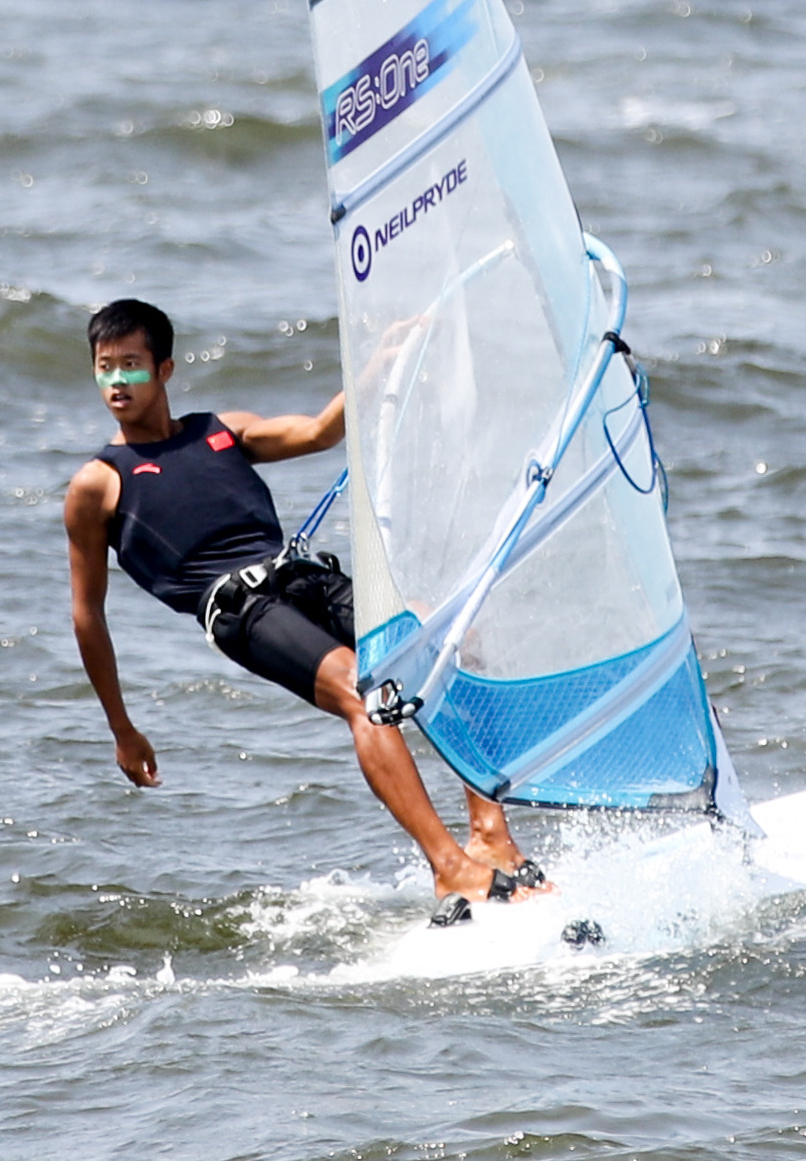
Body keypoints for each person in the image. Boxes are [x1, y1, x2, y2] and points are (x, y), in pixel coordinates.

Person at [64, 297, 546, 916]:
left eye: (130, 365)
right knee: (360, 692)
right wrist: (121, 729)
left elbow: (320, 431)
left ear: (164, 370)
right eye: (104, 368)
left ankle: (491, 837)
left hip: (304, 578)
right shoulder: (99, 485)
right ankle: (449, 868)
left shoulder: (220, 431)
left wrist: (379, 364)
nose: (116, 382)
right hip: (239, 611)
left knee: (453, 636)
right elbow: (87, 615)